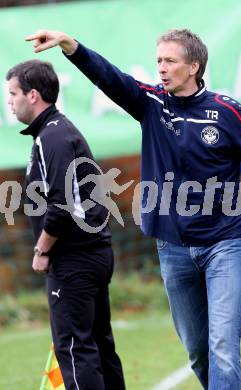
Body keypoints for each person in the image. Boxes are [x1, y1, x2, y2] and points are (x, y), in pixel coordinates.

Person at [25, 29, 241, 389]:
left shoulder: (227, 112)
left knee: (223, 348)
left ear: (194, 66)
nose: (162, 69)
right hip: (172, 249)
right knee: (199, 351)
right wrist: (70, 46)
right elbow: (110, 78)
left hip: (223, 245)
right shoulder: (151, 104)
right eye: (158, 61)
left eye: (170, 61)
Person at [6, 59, 125, 390]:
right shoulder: (54, 132)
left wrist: (42, 249)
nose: (9, 102)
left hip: (74, 259)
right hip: (92, 253)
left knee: (75, 350)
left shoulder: (53, 137)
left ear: (33, 95)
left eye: (13, 93)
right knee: (99, 347)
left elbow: (61, 204)